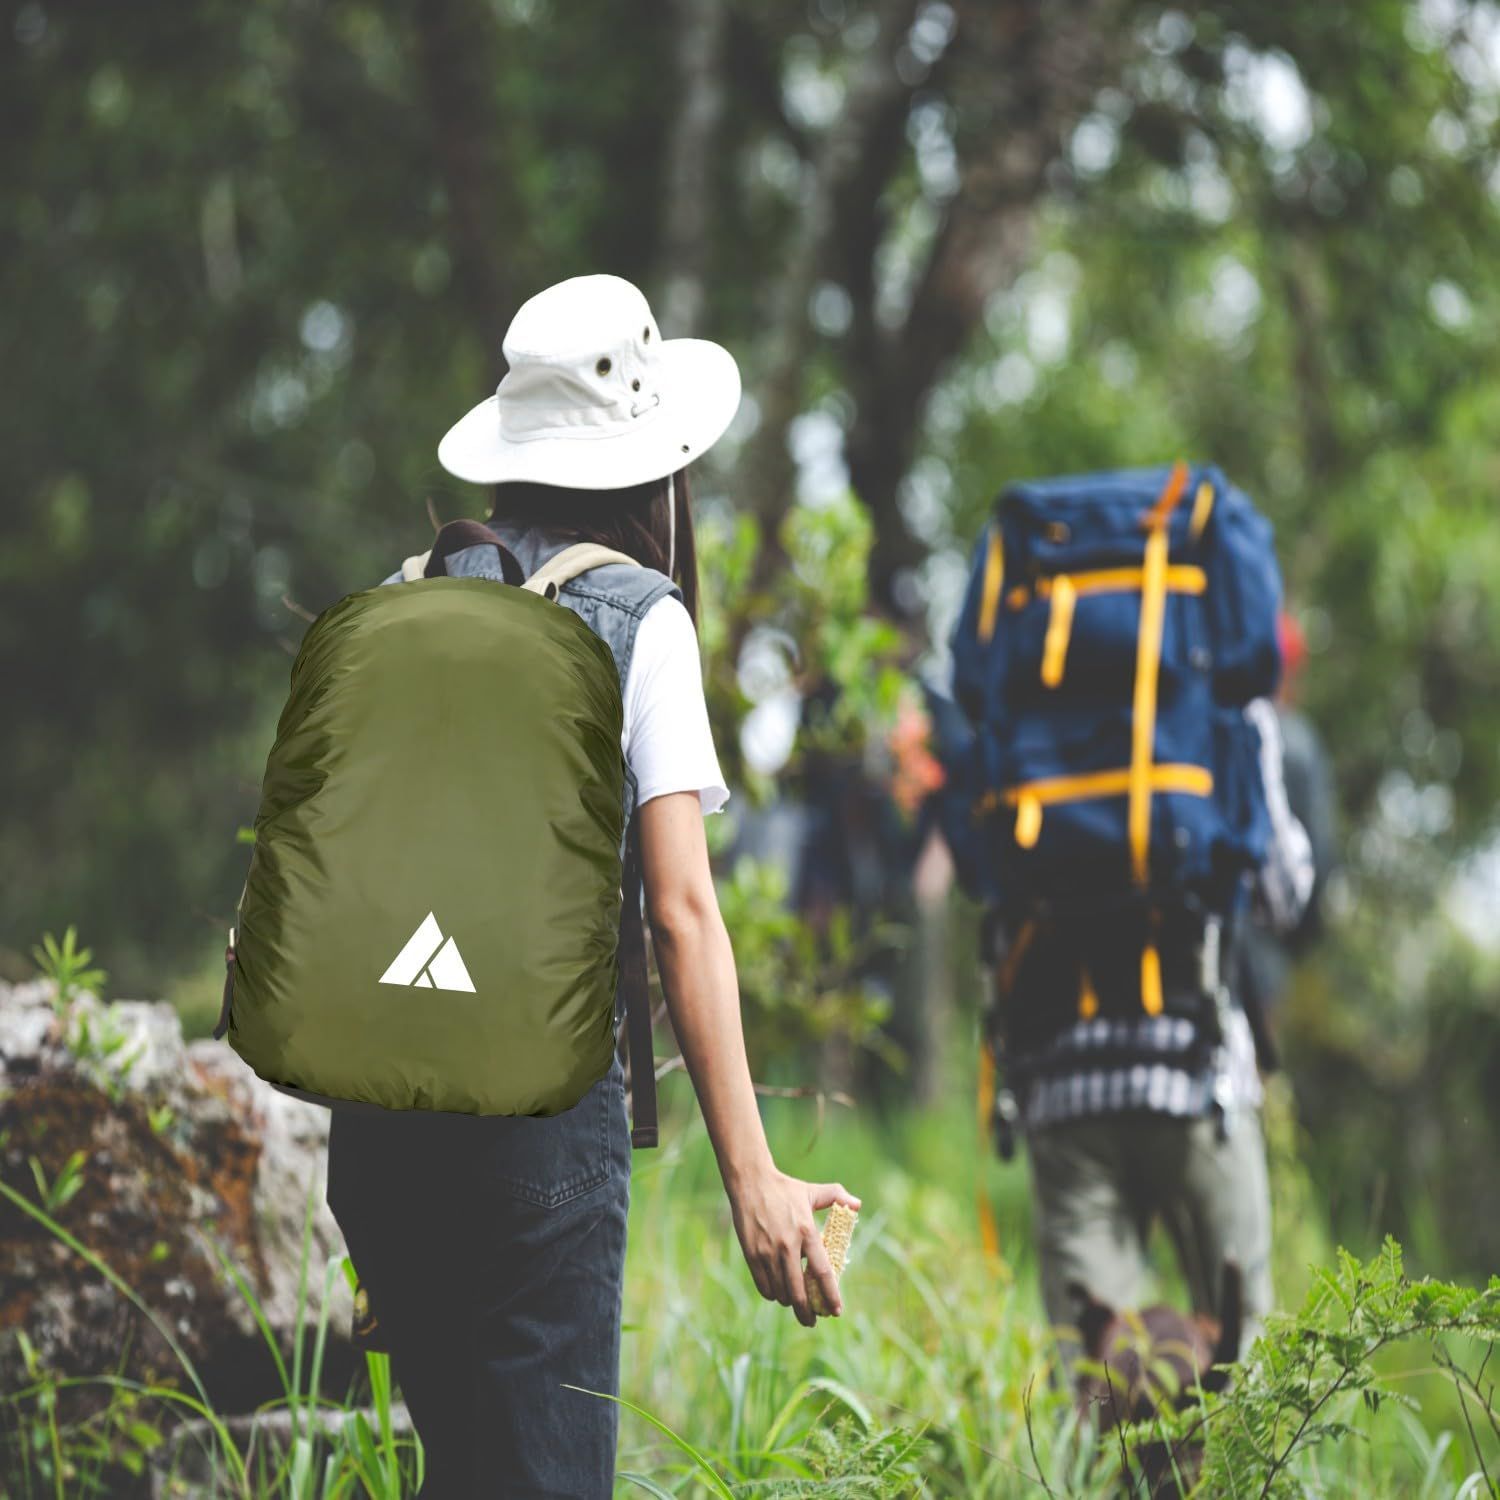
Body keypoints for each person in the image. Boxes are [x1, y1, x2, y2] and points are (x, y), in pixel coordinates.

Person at [325, 274, 859, 1499]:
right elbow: (681, 912)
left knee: (460, 1474)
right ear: (653, 467)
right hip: (536, 1144)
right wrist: (756, 1178)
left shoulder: (410, 593)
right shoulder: (638, 619)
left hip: (382, 1135)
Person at [990, 691, 1315, 1360]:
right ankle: (1217, 1463)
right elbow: (1285, 893)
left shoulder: (1034, 667)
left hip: (1061, 1078)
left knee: (1092, 1380)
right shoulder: (1223, 685)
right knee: (1244, 1370)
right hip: (1196, 1073)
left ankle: (1105, 1463)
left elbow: (989, 869)